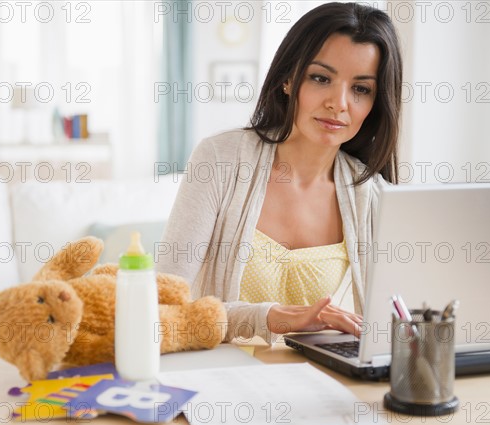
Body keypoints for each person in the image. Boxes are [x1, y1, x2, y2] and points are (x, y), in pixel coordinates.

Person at [156, 2, 402, 344]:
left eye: (361, 89)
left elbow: (391, 322)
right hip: (218, 378)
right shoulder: (220, 159)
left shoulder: (371, 194)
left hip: (318, 383)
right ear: (288, 80)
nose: (339, 102)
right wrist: (269, 318)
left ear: (376, 103)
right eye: (321, 78)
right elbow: (164, 305)